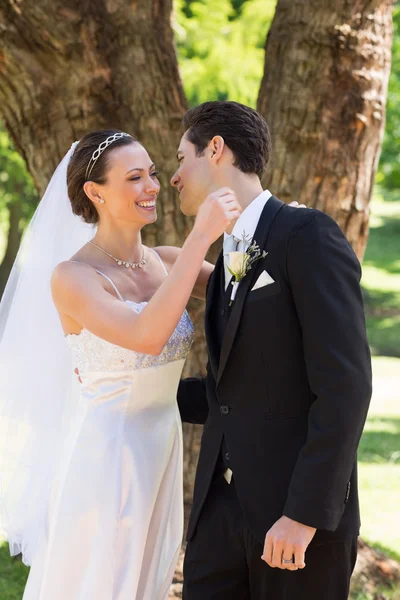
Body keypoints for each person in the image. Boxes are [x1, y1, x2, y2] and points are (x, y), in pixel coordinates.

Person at [0, 129, 242, 600]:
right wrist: (200, 238)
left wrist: (287, 233)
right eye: (134, 177)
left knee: (145, 581)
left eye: (152, 173)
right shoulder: (73, 277)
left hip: (162, 449)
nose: (153, 186)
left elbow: (254, 296)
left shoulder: (167, 262)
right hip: (106, 457)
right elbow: (145, 337)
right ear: (96, 192)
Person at [174, 101, 373, 600]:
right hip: (217, 519)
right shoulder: (227, 259)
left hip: (294, 523)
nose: (174, 176)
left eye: (181, 158)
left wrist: (304, 513)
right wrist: (132, 394)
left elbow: (345, 387)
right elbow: (233, 392)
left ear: (216, 149)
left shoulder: (308, 236)